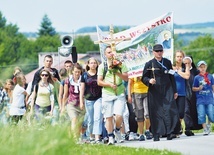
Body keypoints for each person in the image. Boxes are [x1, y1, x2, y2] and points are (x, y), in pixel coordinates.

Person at [142, 44, 179, 141]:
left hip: (167, 89)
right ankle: (156, 133)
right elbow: (144, 77)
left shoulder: (167, 62)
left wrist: (174, 91)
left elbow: (172, 76)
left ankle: (170, 132)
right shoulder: (149, 64)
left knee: (169, 110)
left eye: (160, 51)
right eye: (157, 51)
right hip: (155, 90)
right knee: (156, 112)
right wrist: (149, 80)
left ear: (163, 52)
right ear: (153, 52)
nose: (159, 53)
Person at [97, 46, 128, 145]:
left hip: (119, 92)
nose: (111, 54)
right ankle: (110, 136)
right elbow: (99, 82)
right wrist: (109, 84)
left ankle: (118, 129)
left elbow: (126, 78)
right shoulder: (103, 66)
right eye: (109, 52)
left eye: (112, 52)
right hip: (107, 93)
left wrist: (117, 72)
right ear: (105, 54)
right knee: (109, 116)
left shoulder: (121, 64)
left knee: (119, 115)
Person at [79, 57, 103, 143]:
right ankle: (91, 136)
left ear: (97, 64)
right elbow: (82, 89)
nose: (93, 64)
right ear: (88, 64)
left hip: (99, 98)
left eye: (94, 63)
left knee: (97, 117)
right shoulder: (84, 75)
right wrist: (81, 101)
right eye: (91, 63)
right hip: (88, 100)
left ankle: (97, 137)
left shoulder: (100, 74)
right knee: (90, 119)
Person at [62, 63, 86, 141]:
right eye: (75, 71)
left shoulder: (83, 79)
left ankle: (78, 136)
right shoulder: (68, 80)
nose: (77, 73)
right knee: (74, 119)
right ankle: (75, 138)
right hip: (71, 103)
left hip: (81, 103)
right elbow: (65, 94)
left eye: (79, 72)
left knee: (79, 123)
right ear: (72, 71)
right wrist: (62, 107)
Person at [192, 60, 214, 135]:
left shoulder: (210, 76)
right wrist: (198, 88)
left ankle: (209, 124)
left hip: (209, 98)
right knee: (201, 114)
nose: (202, 68)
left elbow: (213, 86)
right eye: (201, 67)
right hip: (200, 99)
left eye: (204, 67)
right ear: (198, 68)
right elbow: (193, 88)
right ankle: (205, 128)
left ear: (206, 67)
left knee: (211, 113)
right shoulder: (197, 78)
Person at [128, 76, 153, 141]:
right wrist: (129, 95)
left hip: (147, 91)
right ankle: (141, 133)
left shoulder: (146, 68)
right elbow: (130, 83)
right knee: (139, 115)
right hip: (136, 92)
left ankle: (147, 130)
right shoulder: (134, 69)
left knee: (148, 114)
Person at [183, 56, 202, 135]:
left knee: (194, 110)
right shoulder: (182, 71)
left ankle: (196, 126)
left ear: (191, 63)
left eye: (188, 63)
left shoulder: (196, 71)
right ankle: (188, 128)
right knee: (186, 110)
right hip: (185, 93)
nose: (187, 64)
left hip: (194, 93)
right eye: (185, 63)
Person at [172, 50, 190, 136]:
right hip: (173, 93)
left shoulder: (185, 66)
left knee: (181, 113)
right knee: (174, 112)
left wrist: (178, 71)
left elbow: (187, 76)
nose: (179, 58)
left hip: (182, 93)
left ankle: (178, 126)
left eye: (181, 57)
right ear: (175, 57)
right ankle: (176, 129)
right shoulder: (171, 67)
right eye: (177, 56)